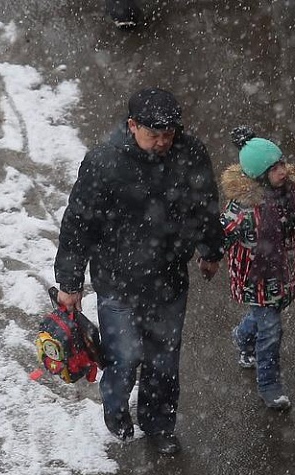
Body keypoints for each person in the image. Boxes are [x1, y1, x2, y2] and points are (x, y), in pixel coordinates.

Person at [54, 87, 224, 455]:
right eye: (154, 134)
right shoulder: (104, 163)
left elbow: (206, 203)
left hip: (169, 280)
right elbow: (78, 224)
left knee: (164, 361)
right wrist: (70, 282)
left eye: (169, 134)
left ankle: (159, 425)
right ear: (132, 126)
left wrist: (211, 248)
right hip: (118, 283)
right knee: (126, 357)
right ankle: (115, 409)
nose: (163, 142)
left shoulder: (190, 154)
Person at [220, 128, 295, 411]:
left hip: (283, 272)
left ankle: (242, 337)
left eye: (281, 164)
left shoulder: (290, 195)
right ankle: (269, 384)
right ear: (258, 175)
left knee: (266, 317)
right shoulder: (242, 208)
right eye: (274, 168)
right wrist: (209, 255)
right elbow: (221, 235)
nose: (282, 171)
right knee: (271, 330)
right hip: (256, 277)